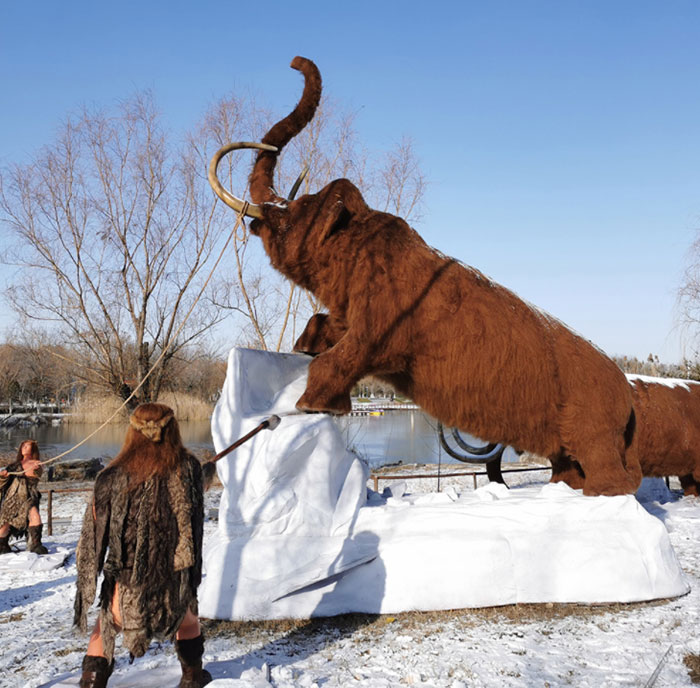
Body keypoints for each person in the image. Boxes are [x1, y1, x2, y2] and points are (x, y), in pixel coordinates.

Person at [73, 403, 212, 688]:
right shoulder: (189, 468)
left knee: (108, 625)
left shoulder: (112, 475)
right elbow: (194, 507)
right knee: (186, 620)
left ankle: (92, 682)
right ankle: (192, 677)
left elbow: (95, 528)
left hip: (128, 577)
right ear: (172, 430)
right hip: (174, 574)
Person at [0, 439, 48, 555]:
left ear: (33, 449)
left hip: (29, 496)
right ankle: (2, 546)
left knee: (34, 515)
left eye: (27, 446)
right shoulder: (13, 466)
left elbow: (38, 474)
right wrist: (3, 476)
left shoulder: (37, 463)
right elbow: (2, 483)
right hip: (12, 498)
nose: (24, 448)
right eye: (23, 446)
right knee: (4, 525)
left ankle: (36, 544)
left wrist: (38, 469)